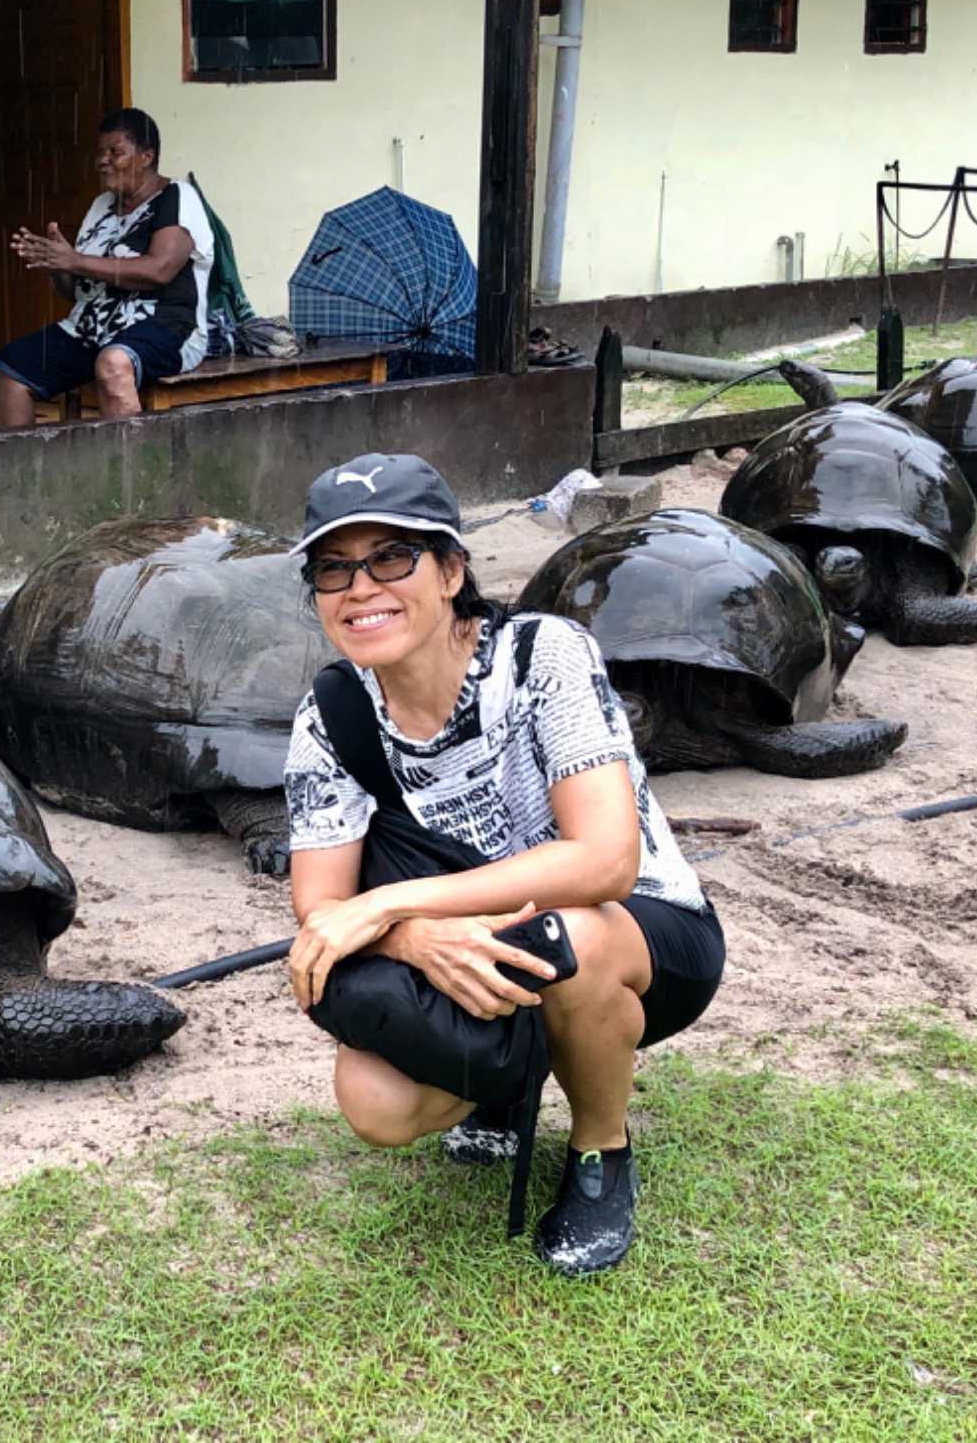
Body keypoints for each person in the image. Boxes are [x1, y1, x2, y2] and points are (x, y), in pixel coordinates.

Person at [280, 453, 725, 1275]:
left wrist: (393, 905)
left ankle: (600, 1151)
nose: (361, 588)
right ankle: (509, 1085)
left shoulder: (541, 656)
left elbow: (605, 861)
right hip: (471, 940)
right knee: (374, 1102)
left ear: (452, 571)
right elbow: (323, 904)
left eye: (392, 558)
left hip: (639, 935)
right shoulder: (332, 714)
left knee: (567, 939)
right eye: (333, 569)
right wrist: (412, 937)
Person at [0, 108, 214, 428]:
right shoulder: (101, 206)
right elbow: (75, 292)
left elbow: (159, 270)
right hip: (91, 330)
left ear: (146, 157)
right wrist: (56, 262)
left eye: (115, 152)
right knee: (13, 366)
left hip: (166, 327)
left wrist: (75, 260)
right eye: (100, 153)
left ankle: (131, 461)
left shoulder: (176, 197)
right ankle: (19, 460)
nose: (103, 161)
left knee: (113, 363)